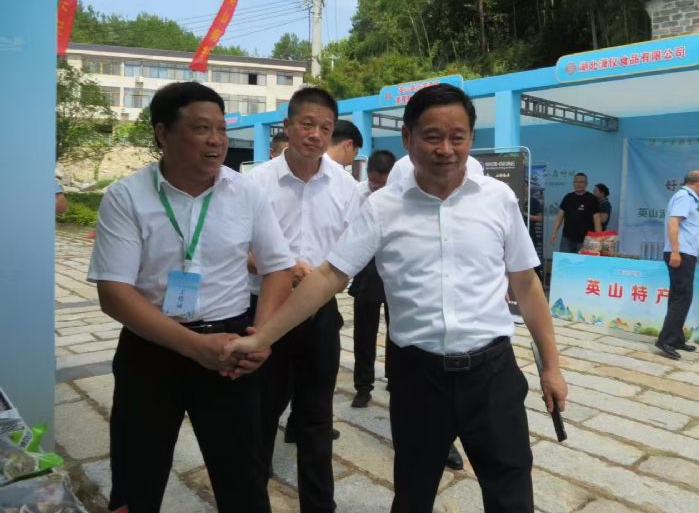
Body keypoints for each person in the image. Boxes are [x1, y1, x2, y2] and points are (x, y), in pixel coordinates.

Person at [225, 84, 567, 513]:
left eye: (457, 137)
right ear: (408, 138)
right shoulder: (382, 207)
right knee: (413, 493)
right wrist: (262, 337)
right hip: (418, 378)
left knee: (511, 493)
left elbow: (526, 284)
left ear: (470, 139)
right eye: (432, 136)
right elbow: (329, 275)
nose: (446, 149)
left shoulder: (497, 200)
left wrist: (551, 367)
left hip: (492, 374)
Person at [87, 81, 295, 513]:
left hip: (231, 349)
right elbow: (114, 292)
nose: (216, 140)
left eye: (221, 129)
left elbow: (278, 267)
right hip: (151, 348)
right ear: (163, 133)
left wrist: (262, 337)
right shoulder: (127, 196)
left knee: (243, 478)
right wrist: (194, 346)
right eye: (202, 128)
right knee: (137, 475)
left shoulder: (246, 193)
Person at [247, 87, 361, 513]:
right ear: (289, 126)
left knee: (316, 417)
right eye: (307, 124)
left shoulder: (346, 186)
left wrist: (328, 277)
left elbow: (352, 248)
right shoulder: (254, 183)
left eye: (325, 128)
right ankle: (251, 498)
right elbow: (233, 247)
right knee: (260, 414)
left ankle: (319, 505)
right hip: (264, 309)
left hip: (318, 314)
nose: (315, 134)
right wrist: (277, 267)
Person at [350, 149, 396, 409]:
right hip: (366, 267)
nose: (377, 188)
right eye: (373, 183)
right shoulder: (357, 193)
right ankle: (363, 386)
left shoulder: (401, 192)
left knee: (397, 327)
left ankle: (394, 376)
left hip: (395, 266)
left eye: (382, 184)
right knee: (364, 331)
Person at [655, 170, 699, 360]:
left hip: (685, 252)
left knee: (681, 295)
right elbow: (673, 223)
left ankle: (676, 338)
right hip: (681, 253)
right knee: (682, 296)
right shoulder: (684, 197)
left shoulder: (689, 199)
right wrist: (675, 251)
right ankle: (666, 340)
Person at [549, 173, 601, 253]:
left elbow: (597, 220)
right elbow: (559, 217)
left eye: (581, 182)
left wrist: (599, 238)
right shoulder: (567, 198)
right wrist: (554, 233)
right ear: (573, 183)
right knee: (565, 259)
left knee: (583, 260)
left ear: (586, 184)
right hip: (567, 238)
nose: (578, 184)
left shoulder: (592, 199)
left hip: (586, 240)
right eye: (576, 182)